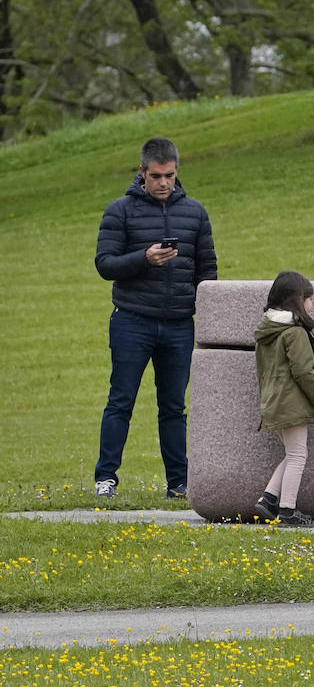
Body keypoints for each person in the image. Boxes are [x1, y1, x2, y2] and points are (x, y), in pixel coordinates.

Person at [94, 137, 217, 499]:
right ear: (142, 172)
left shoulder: (195, 213)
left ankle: (178, 483)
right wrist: (143, 259)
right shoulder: (120, 211)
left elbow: (207, 272)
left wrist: (205, 317)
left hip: (179, 324)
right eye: (156, 176)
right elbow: (105, 264)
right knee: (121, 400)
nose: (164, 183)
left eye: (170, 176)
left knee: (174, 407)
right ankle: (106, 478)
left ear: (177, 172)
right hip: (132, 320)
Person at [254, 271, 314, 528]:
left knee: (293, 453)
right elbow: (303, 371)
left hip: (273, 400)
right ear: (298, 300)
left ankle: (268, 499)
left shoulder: (268, 330)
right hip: (291, 401)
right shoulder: (295, 332)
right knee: (298, 455)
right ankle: (287, 510)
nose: (312, 304)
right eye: (309, 298)